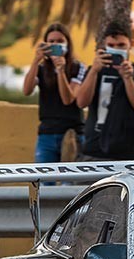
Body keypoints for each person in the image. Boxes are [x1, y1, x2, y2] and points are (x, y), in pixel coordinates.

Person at [74, 21, 134, 161]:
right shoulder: (94, 71)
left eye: (121, 45)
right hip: (93, 149)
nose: (116, 49)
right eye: (111, 46)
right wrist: (94, 70)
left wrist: (128, 78)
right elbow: (81, 102)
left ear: (131, 44)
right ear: (104, 46)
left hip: (128, 152)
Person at [23, 23, 86, 164]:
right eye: (51, 42)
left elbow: (68, 99)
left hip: (71, 133)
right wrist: (35, 60)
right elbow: (26, 90)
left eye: (60, 41)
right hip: (47, 134)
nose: (55, 44)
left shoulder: (78, 67)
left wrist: (61, 71)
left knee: (69, 183)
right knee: (44, 182)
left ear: (68, 44)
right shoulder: (41, 69)